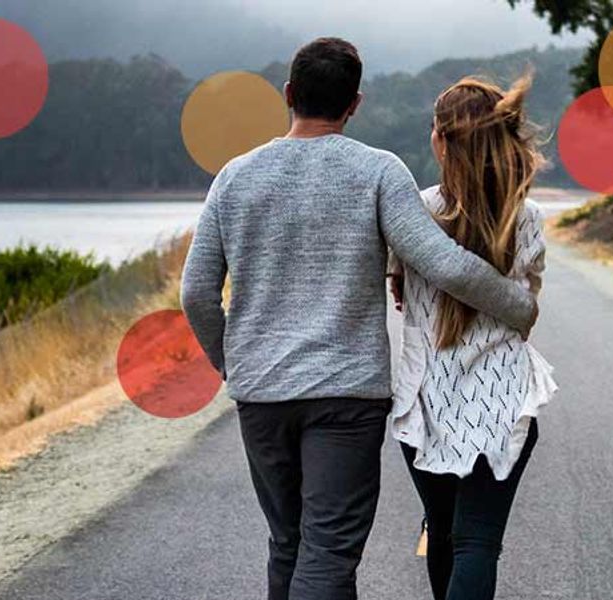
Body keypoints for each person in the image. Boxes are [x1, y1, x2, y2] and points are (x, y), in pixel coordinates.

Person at [179, 37, 538, 600]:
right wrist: (520, 306)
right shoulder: (377, 172)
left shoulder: (234, 177)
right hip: (345, 400)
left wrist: (232, 365)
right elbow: (443, 263)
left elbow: (197, 292)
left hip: (261, 397)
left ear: (289, 94)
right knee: (326, 554)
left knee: (288, 545)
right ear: (355, 103)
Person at [387, 75, 557, 600]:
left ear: (440, 139)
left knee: (442, 533)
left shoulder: (412, 211)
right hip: (503, 401)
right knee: (477, 542)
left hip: (427, 404)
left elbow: (398, 291)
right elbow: (529, 302)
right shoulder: (525, 217)